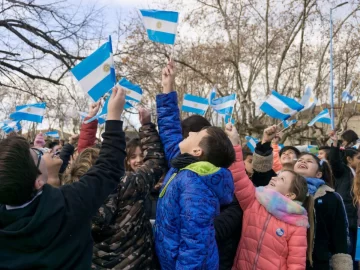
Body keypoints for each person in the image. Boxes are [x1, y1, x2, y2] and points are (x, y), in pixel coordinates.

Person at [0, 86, 127, 269]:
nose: (43, 153)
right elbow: (108, 167)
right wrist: (114, 117)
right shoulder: (69, 204)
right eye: (37, 155)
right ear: (38, 182)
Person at [154, 60, 235, 269]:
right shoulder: (183, 165)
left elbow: (195, 247)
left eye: (197, 134)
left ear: (197, 151)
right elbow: (170, 130)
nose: (189, 132)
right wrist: (167, 88)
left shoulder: (195, 186)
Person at [91, 107, 166, 270]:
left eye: (142, 156)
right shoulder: (128, 183)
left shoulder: (77, 194)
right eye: (132, 156)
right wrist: (146, 125)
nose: (139, 161)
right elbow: (155, 161)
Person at [232, 126, 313, 270]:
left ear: (290, 195)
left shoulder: (296, 223)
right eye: (277, 176)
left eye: (281, 179)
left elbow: (296, 264)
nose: (275, 178)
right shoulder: (254, 201)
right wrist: (235, 145)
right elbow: (238, 175)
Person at [294, 152, 352, 269]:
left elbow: (339, 234)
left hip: (318, 261)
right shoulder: (280, 191)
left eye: (309, 161)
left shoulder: (331, 197)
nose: (303, 161)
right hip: (285, 259)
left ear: (319, 174)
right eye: (300, 160)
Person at [328, 131, 360, 269]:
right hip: (346, 221)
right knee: (348, 255)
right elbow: (334, 162)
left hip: (357, 222)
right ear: (349, 159)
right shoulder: (343, 172)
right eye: (359, 158)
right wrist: (335, 144)